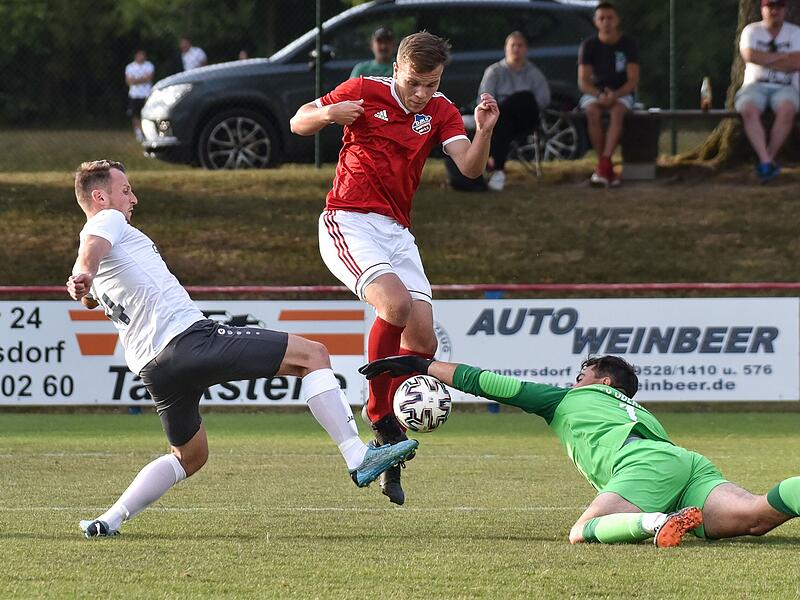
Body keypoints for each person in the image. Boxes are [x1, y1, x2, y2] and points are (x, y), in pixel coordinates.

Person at [67, 160, 418, 538]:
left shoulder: (105, 254)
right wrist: (85, 270)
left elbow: (93, 277)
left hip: (155, 368)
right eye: (125, 190)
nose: (132, 198)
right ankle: (356, 455)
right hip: (188, 340)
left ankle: (110, 519)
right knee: (313, 355)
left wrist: (86, 282)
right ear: (100, 197)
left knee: (189, 456)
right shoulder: (106, 222)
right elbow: (92, 248)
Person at [290, 32, 499, 506]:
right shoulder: (364, 90)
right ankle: (380, 412)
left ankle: (390, 444)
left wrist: (484, 129)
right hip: (348, 219)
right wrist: (327, 114)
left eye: (432, 83)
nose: (422, 93)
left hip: (396, 231)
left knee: (423, 342)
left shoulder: (441, 111)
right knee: (396, 305)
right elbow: (297, 121)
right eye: (414, 82)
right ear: (397, 68)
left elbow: (469, 168)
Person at [360, 354, 800, 548]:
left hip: (644, 466)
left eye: (581, 373)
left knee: (584, 530)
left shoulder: (566, 400)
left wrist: (418, 365)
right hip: (686, 463)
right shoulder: (635, 410)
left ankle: (658, 521)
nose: (574, 380)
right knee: (757, 515)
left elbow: (489, 383)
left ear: (603, 382)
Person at [735, 0, 800, 184]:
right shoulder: (752, 31)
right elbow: (749, 55)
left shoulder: (795, 32)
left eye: (779, 7)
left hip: (785, 86)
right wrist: (784, 57)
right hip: (755, 85)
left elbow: (797, 63)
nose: (775, 11)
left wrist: (765, 59)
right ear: (762, 9)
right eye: (770, 6)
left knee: (787, 109)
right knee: (748, 109)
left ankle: (767, 160)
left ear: (785, 9)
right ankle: (766, 161)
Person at [478, 31, 551, 191]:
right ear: (506, 48)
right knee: (504, 122)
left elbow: (543, 99)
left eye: (520, 45)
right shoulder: (494, 71)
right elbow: (484, 99)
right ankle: (498, 172)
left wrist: (515, 104)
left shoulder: (534, 73)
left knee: (524, 97)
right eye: (513, 45)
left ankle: (494, 165)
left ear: (526, 49)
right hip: (501, 122)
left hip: (526, 119)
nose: (516, 49)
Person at [578, 2, 639, 187]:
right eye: (602, 18)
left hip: (622, 93)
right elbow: (583, 81)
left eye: (610, 18)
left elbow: (633, 80)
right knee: (592, 112)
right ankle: (605, 166)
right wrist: (599, 95)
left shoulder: (628, 44)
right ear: (596, 22)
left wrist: (616, 94)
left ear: (617, 20)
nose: (606, 22)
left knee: (617, 111)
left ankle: (603, 166)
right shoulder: (588, 46)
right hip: (595, 93)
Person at [124, 50, 154, 142]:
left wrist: (135, 80)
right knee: (135, 115)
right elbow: (129, 82)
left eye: (143, 55)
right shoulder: (130, 67)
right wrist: (143, 78)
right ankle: (138, 133)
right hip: (134, 95)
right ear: (136, 56)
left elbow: (149, 78)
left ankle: (148, 133)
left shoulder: (149, 65)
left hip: (146, 94)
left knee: (147, 114)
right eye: (139, 55)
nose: (141, 57)